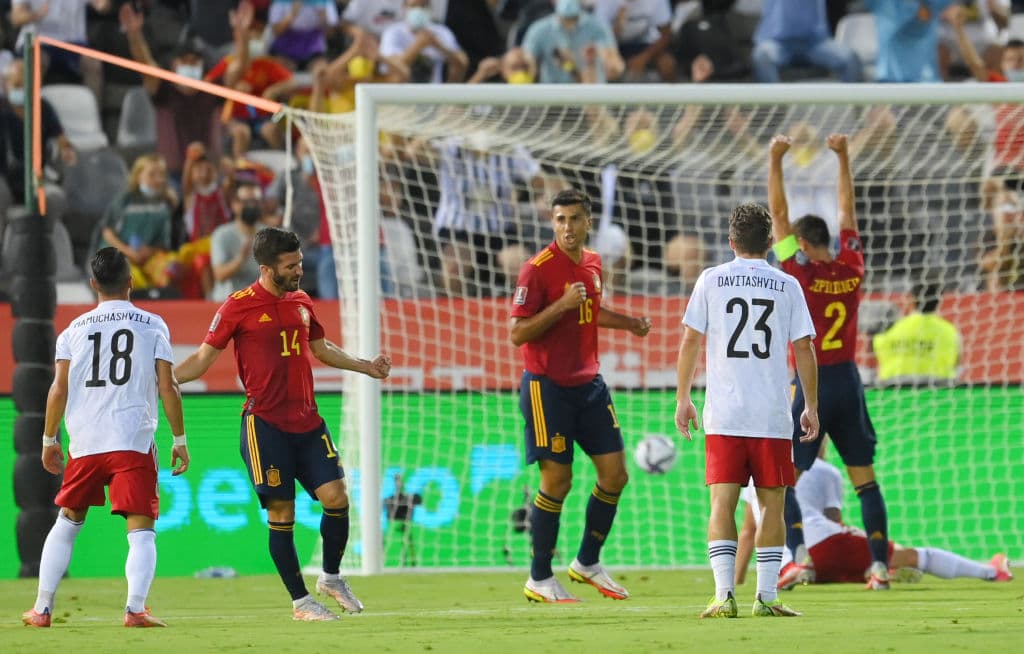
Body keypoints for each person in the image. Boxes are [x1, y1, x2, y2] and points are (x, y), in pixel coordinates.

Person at [173, 226, 392, 622]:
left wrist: (365, 366)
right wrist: (166, 378)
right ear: (266, 268)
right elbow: (203, 359)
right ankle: (301, 602)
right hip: (266, 426)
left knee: (337, 498)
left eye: (300, 263)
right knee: (282, 514)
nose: (299, 271)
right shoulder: (237, 306)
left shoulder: (302, 301)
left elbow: (321, 348)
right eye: (291, 266)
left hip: (308, 422)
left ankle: (331, 578)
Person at [21, 247, 189, 629]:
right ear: (131, 282)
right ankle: (135, 609)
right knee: (141, 529)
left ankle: (42, 609)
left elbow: (57, 390)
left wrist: (49, 440)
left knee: (67, 521)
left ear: (93, 283)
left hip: (86, 441)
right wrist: (179, 439)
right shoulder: (152, 324)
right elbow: (169, 387)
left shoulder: (72, 332)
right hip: (132, 439)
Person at [676, 201, 819, 618]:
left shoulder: (710, 279)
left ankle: (724, 596)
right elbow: (804, 348)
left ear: (730, 241)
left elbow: (690, 341)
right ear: (771, 242)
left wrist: (683, 397)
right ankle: (768, 598)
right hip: (773, 415)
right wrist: (809, 405)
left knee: (722, 502)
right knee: (771, 504)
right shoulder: (787, 284)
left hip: (725, 413)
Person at [510, 188, 652, 603]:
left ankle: (587, 562)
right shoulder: (536, 270)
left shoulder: (593, 263)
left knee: (615, 475)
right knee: (558, 480)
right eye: (560, 220)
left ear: (588, 222)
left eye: (574, 219)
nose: (567, 227)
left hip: (589, 385)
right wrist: (560, 305)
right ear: (552, 223)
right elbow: (517, 332)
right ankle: (539, 577)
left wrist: (628, 324)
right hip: (546, 388)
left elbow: (591, 311)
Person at [768, 132, 893, 591]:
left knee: (782, 479)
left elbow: (776, 215)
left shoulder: (797, 272)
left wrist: (775, 159)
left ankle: (799, 558)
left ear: (801, 242)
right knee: (865, 482)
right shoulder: (853, 268)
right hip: (849, 380)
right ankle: (879, 568)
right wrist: (843, 158)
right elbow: (848, 211)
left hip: (810, 383)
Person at [736, 443, 1013, 587]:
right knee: (911, 554)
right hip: (822, 544)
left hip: (784, 565)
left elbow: (749, 531)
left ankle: (875, 569)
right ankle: (990, 572)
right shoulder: (823, 470)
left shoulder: (757, 474)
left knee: (846, 563)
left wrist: (737, 581)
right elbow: (834, 524)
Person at [750, 0, 862, 83]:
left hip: (814, 43)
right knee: (762, 55)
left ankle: (855, 112)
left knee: (850, 58)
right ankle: (775, 111)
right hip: (778, 43)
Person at [873, 282, 961, 384]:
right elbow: (957, 363)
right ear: (939, 301)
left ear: (911, 300)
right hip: (937, 392)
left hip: (893, 390)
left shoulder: (890, 329)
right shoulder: (950, 332)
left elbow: (877, 356)